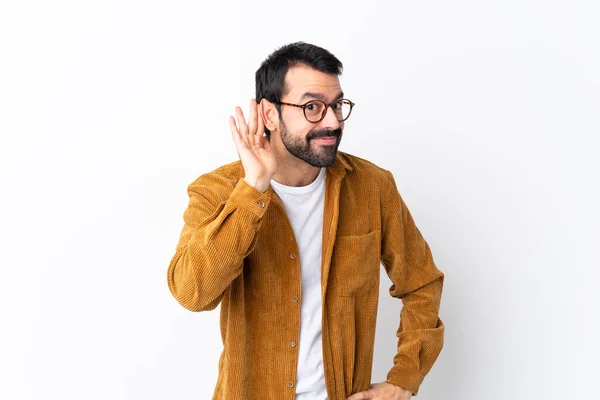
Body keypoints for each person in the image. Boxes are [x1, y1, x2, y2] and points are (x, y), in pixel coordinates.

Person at [166, 42, 445, 400]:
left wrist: (403, 380)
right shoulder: (216, 190)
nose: (332, 121)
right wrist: (253, 188)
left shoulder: (373, 187)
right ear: (269, 114)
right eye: (312, 107)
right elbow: (192, 293)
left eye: (337, 106)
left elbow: (421, 283)